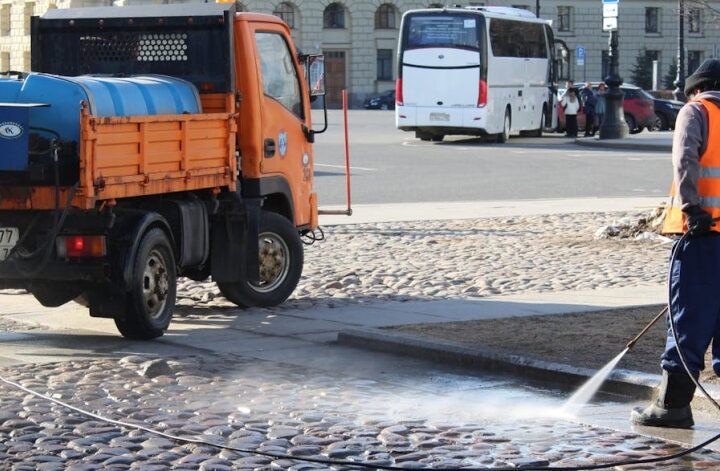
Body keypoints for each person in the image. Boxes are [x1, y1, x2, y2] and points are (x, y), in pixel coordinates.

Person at [631, 58, 720, 429]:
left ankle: (673, 406)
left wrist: (691, 207)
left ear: (697, 88)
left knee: (688, 319)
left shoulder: (695, 111)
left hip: (702, 236)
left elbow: (685, 160)